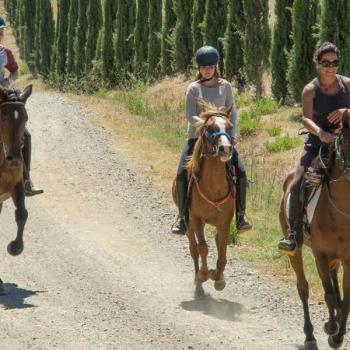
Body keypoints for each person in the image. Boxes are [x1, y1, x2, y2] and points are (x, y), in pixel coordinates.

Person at [278, 42, 350, 255]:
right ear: (317, 64)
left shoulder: (347, 84)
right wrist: (321, 133)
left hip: (345, 142)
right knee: (297, 182)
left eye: (334, 62)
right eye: (325, 63)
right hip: (318, 144)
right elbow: (306, 119)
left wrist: (346, 109)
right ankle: (292, 235)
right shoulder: (310, 89)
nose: (330, 67)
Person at [172, 45, 252, 235]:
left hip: (223, 138)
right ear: (198, 68)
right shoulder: (194, 89)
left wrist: (230, 136)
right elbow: (191, 116)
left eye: (211, 66)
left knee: (240, 172)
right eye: (203, 67)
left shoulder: (225, 86)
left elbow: (232, 114)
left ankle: (241, 215)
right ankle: (182, 217)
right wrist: (208, 126)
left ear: (216, 66)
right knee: (181, 173)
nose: (207, 70)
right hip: (198, 139)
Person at [0, 16, 43, 196]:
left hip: (2, 99)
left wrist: (8, 81)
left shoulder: (5, 53)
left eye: (1, 31)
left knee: (25, 135)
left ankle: (25, 180)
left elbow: (15, 71)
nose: (0, 34)